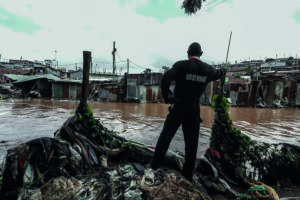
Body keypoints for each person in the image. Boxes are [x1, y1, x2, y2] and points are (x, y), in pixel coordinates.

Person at [150, 42, 225, 182]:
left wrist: (169, 98)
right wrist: (223, 71)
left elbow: (165, 79)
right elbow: (218, 74)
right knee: (192, 143)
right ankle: (187, 175)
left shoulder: (181, 65)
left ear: (187, 53)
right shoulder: (207, 69)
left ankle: (153, 166)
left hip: (178, 105)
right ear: (201, 54)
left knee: (166, 137)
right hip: (194, 109)